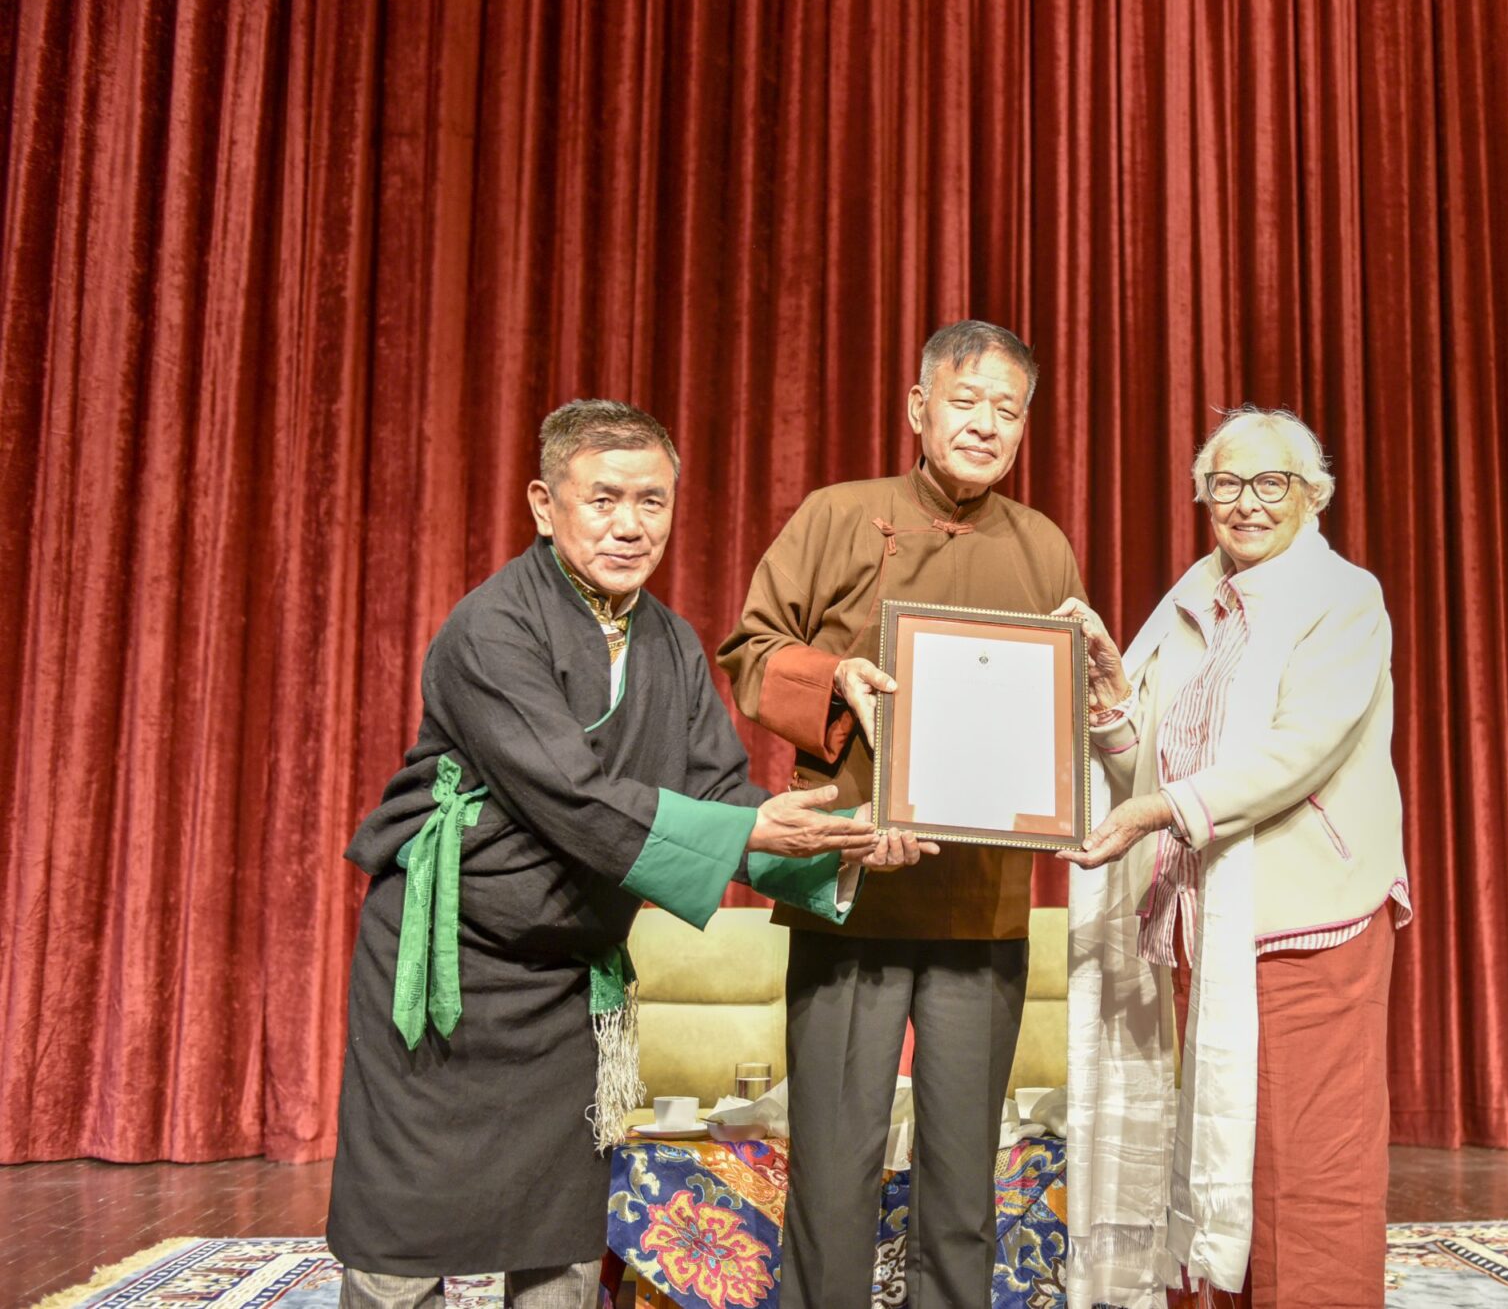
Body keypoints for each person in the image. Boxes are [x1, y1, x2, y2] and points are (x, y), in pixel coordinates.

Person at [326, 400, 925, 1309]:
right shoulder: (491, 628)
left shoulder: (671, 642)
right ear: (544, 505)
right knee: (400, 1238)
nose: (630, 524)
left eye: (652, 501)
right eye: (603, 498)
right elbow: (573, 796)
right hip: (450, 971)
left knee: (558, 1241)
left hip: (569, 991)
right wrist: (749, 830)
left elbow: (721, 795)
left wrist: (841, 842)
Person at [716, 320, 1087, 1308]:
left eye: (1008, 409)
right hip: (852, 888)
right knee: (833, 1171)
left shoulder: (1043, 544)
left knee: (964, 1181)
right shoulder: (838, 514)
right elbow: (751, 651)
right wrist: (836, 676)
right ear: (919, 408)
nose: (986, 425)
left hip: (982, 903)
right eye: (965, 401)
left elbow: (1056, 707)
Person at [1057, 406, 1410, 1309]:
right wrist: (1112, 702)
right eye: (1226, 484)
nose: (1246, 502)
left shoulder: (1343, 597)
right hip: (1205, 920)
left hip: (1305, 920)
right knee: (1222, 1155)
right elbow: (1152, 762)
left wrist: (1159, 809)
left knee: (1304, 1164)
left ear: (1312, 496)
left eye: (1270, 483)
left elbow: (1299, 752)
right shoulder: (1195, 598)